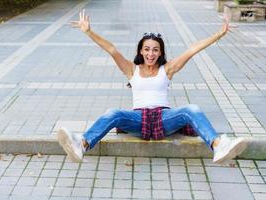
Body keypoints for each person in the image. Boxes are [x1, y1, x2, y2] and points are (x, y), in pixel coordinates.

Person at [57, 10, 247, 164]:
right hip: (137, 119)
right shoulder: (132, 69)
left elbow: (192, 50)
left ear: (160, 52)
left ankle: (218, 144)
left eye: (155, 49)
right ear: (141, 50)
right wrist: (88, 31)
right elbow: (112, 49)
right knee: (113, 112)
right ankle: (81, 144)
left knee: (192, 109)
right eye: (147, 49)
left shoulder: (168, 69)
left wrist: (219, 34)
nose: (151, 53)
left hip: (164, 118)